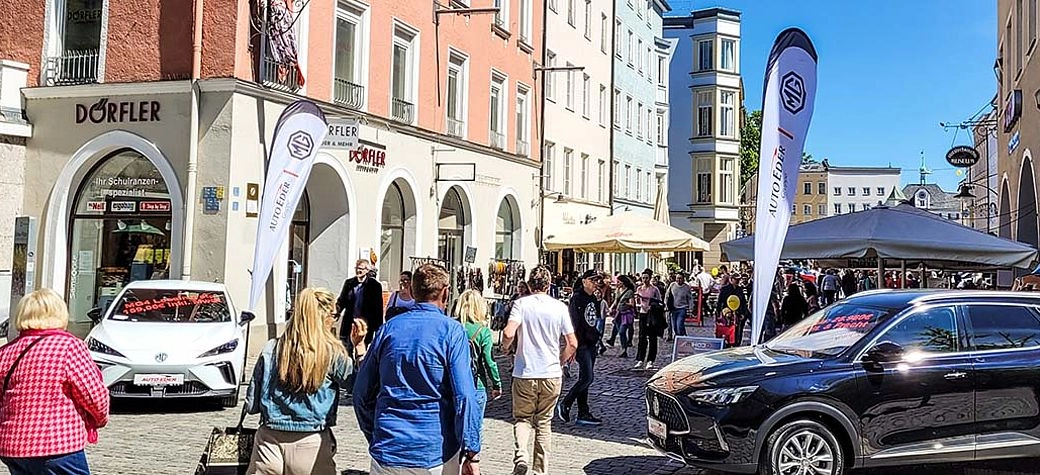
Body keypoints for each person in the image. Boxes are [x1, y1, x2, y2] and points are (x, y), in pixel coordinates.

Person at [354, 264, 483, 475]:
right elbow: (466, 396)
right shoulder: (451, 332)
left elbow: (361, 393)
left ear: (413, 292)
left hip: (390, 446)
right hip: (434, 450)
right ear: (446, 292)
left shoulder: (388, 330)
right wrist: (471, 451)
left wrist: (377, 432)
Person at [245, 288, 367, 475]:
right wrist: (359, 347)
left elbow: (252, 403)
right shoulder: (331, 353)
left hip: (269, 440)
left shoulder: (272, 348)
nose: (334, 320)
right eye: (334, 315)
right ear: (325, 316)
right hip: (311, 443)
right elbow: (359, 386)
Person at [0, 289, 109, 475]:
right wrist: (99, 419)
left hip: (13, 446)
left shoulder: (7, 351)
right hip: (57, 445)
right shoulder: (68, 347)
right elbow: (93, 394)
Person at [502, 266, 577, 475]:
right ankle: (539, 471)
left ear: (529, 284)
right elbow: (572, 343)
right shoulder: (559, 307)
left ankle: (521, 456)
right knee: (544, 423)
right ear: (549, 283)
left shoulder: (521, 304)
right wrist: (561, 362)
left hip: (525, 372)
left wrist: (505, 347)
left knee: (523, 419)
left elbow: (508, 332)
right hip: (550, 373)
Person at [558, 270, 604, 427]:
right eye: (592, 280)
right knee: (587, 378)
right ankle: (565, 403)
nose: (595, 283)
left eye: (596, 280)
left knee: (585, 378)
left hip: (591, 342)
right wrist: (574, 345)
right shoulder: (577, 299)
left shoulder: (592, 298)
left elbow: (592, 319)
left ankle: (583, 413)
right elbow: (574, 323)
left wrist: (596, 336)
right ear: (584, 281)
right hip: (581, 343)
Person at [454, 289, 502, 433]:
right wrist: (496, 384)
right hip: (477, 383)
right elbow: (489, 361)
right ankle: (472, 454)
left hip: (454, 382)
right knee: (475, 427)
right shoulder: (483, 331)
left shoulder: (452, 326)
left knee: (455, 425)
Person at [338, 258, 385, 345]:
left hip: (365, 323)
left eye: (361, 269)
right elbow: (342, 301)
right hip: (350, 322)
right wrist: (336, 312)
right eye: (357, 268)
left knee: (363, 347)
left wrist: (378, 327)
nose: (358, 271)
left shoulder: (375, 286)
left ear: (367, 270)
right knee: (347, 347)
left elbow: (378, 307)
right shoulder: (349, 283)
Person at [633, 273, 663, 371]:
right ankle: (640, 359)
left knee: (652, 337)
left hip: (652, 314)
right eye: (643, 278)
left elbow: (660, 301)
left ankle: (650, 360)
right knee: (642, 337)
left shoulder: (654, 289)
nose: (645, 280)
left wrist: (653, 305)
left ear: (650, 278)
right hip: (643, 313)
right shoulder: (639, 289)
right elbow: (637, 301)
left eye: (647, 278)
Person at [605, 275, 636, 358]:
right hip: (618, 313)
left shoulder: (629, 292)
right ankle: (623, 348)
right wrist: (611, 308)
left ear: (623, 282)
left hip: (626, 314)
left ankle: (624, 349)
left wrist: (626, 304)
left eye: (618, 282)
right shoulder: (618, 290)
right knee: (619, 331)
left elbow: (632, 304)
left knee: (622, 331)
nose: (617, 283)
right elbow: (616, 301)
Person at [716, 275, 750, 346]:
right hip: (727, 313)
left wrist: (744, 313)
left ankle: (737, 344)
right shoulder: (725, 289)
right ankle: (728, 343)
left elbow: (743, 302)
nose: (737, 281)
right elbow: (720, 302)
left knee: (738, 330)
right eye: (735, 279)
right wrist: (718, 312)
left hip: (738, 313)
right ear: (731, 279)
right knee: (728, 329)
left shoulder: (740, 289)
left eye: (738, 280)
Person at [666, 274, 693, 339]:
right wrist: (666, 305)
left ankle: (679, 338)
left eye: (680, 278)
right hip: (673, 308)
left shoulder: (686, 287)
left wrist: (691, 307)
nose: (678, 280)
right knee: (674, 325)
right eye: (677, 278)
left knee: (679, 324)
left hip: (682, 308)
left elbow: (690, 298)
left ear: (683, 279)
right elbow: (667, 295)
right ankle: (680, 335)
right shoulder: (672, 285)